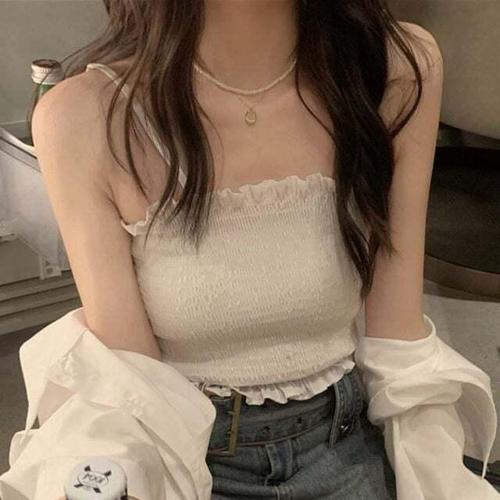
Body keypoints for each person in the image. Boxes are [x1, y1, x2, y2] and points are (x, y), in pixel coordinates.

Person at [1, 1, 498, 499]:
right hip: (188, 455)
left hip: (347, 443)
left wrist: (432, 474)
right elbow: (134, 386)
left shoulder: (395, 71)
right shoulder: (83, 117)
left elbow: (397, 337)